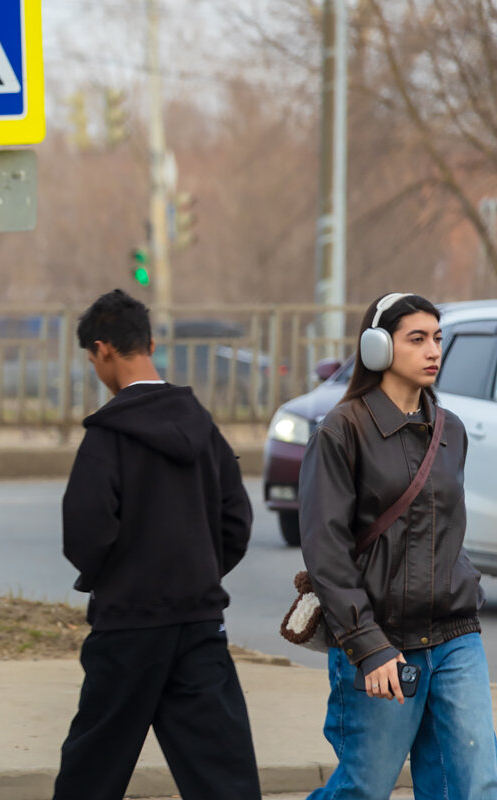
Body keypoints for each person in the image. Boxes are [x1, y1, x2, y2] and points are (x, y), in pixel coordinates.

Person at [52, 289, 258, 800]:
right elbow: (236, 521)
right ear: (150, 341)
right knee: (222, 773)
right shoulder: (203, 426)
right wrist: (198, 570)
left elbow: (85, 533)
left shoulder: (107, 435)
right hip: (198, 623)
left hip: (127, 627)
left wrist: (116, 579)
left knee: (92, 769)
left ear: (102, 350)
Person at [300, 293, 497, 799]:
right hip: (380, 641)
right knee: (364, 788)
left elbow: (448, 531)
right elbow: (327, 551)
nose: (433, 350)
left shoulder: (450, 430)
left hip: (455, 635)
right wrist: (367, 645)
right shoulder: (341, 433)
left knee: (474, 785)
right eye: (417, 339)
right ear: (377, 348)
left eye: (437, 338)